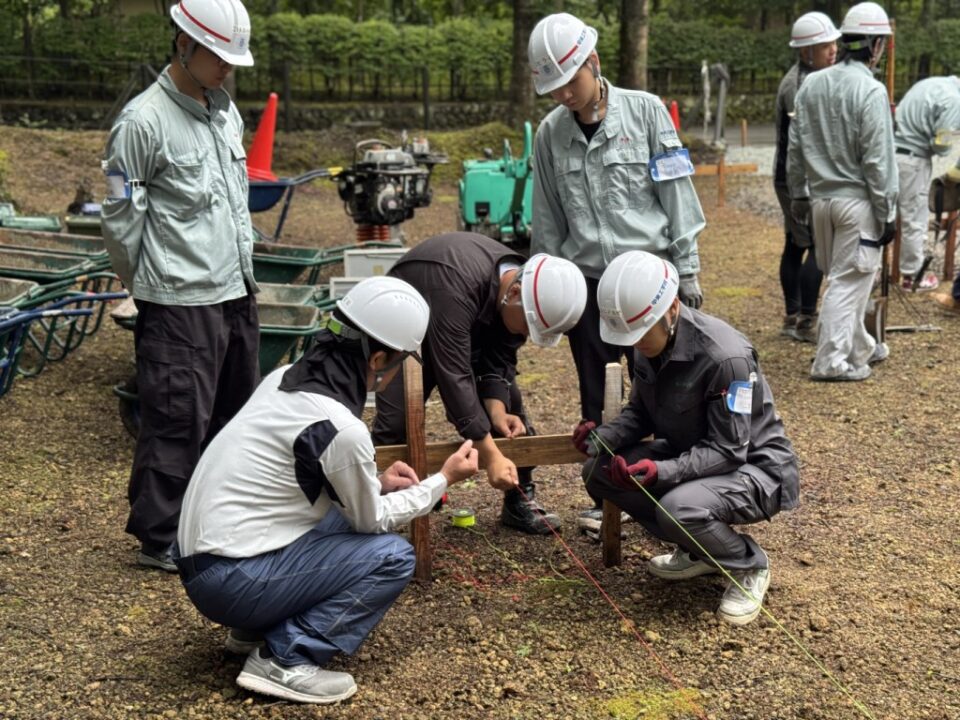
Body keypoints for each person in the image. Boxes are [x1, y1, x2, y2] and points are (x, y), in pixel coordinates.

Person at [175, 276, 480, 704]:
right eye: (397, 365)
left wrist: (373, 483)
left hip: (203, 563)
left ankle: (254, 630)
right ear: (376, 359)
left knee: (338, 520)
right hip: (230, 582)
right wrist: (443, 479)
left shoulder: (282, 379)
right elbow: (371, 520)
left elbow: (288, 480)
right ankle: (285, 658)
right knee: (391, 557)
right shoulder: (340, 426)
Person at [527, 12, 706, 535]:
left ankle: (674, 483)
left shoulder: (647, 113)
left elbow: (677, 196)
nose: (564, 97)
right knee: (596, 391)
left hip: (650, 280)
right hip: (587, 284)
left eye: (570, 83)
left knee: (667, 386)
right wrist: (547, 288)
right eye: (553, 89)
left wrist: (688, 269)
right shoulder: (549, 135)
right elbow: (547, 220)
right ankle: (606, 487)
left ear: (594, 63)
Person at [101, 0, 260, 571]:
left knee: (235, 412)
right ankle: (159, 535)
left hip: (235, 289)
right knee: (176, 416)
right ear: (183, 44)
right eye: (218, 56)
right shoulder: (141, 124)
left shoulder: (225, 113)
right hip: (177, 297)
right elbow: (120, 219)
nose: (227, 68)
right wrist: (145, 287)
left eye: (232, 59)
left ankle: (216, 515)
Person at [574, 251, 799, 626]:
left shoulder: (726, 359)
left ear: (672, 308)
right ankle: (698, 550)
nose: (638, 343)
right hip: (690, 453)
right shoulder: (648, 341)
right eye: (630, 337)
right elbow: (640, 413)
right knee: (596, 471)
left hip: (755, 467)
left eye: (643, 333)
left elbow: (729, 449)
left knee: (679, 507)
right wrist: (601, 438)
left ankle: (749, 565)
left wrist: (661, 471)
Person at [371, 232, 586, 535]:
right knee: (394, 423)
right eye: (528, 326)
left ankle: (519, 498)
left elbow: (501, 356)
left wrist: (497, 411)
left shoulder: (522, 287)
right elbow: (455, 378)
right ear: (514, 293)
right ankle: (381, 504)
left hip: (464, 324)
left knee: (512, 414)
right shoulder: (455, 284)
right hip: (403, 329)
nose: (525, 335)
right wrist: (491, 454)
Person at [787, 1, 897, 382]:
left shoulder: (811, 85)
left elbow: (795, 147)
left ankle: (860, 348)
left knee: (847, 279)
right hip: (858, 203)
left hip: (820, 201)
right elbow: (878, 161)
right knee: (849, 282)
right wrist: (888, 212)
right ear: (875, 45)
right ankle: (829, 361)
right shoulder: (870, 90)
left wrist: (799, 194)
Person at [773, 12, 840, 342]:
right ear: (805, 52)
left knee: (796, 242)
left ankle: (793, 316)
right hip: (795, 180)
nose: (833, 50)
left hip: (797, 178)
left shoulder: (815, 78)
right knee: (814, 245)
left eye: (833, 43)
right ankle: (805, 321)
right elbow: (806, 140)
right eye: (824, 45)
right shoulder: (798, 85)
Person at [894, 76, 960, 292]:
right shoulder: (955, 101)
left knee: (882, 216)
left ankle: (872, 270)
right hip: (913, 160)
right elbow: (942, 143)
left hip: (891, 153)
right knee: (914, 219)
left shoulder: (931, 84)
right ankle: (911, 277)